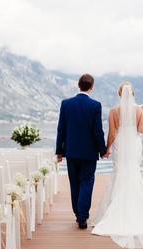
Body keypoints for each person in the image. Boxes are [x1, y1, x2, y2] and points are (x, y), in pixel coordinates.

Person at [91, 81, 143, 249]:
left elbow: (111, 133)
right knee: (133, 173)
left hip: (120, 144)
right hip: (133, 145)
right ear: (133, 94)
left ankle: (111, 214)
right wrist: (139, 119)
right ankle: (136, 213)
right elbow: (141, 130)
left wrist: (106, 149)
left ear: (119, 94)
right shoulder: (139, 111)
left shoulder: (113, 112)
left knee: (118, 173)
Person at [55, 73, 107, 229]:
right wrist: (102, 150)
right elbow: (98, 131)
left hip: (71, 151)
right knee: (87, 182)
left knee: (74, 182)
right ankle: (82, 217)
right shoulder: (96, 105)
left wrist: (59, 151)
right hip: (89, 152)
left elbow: (61, 129)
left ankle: (78, 214)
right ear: (91, 87)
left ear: (78, 85)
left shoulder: (66, 104)